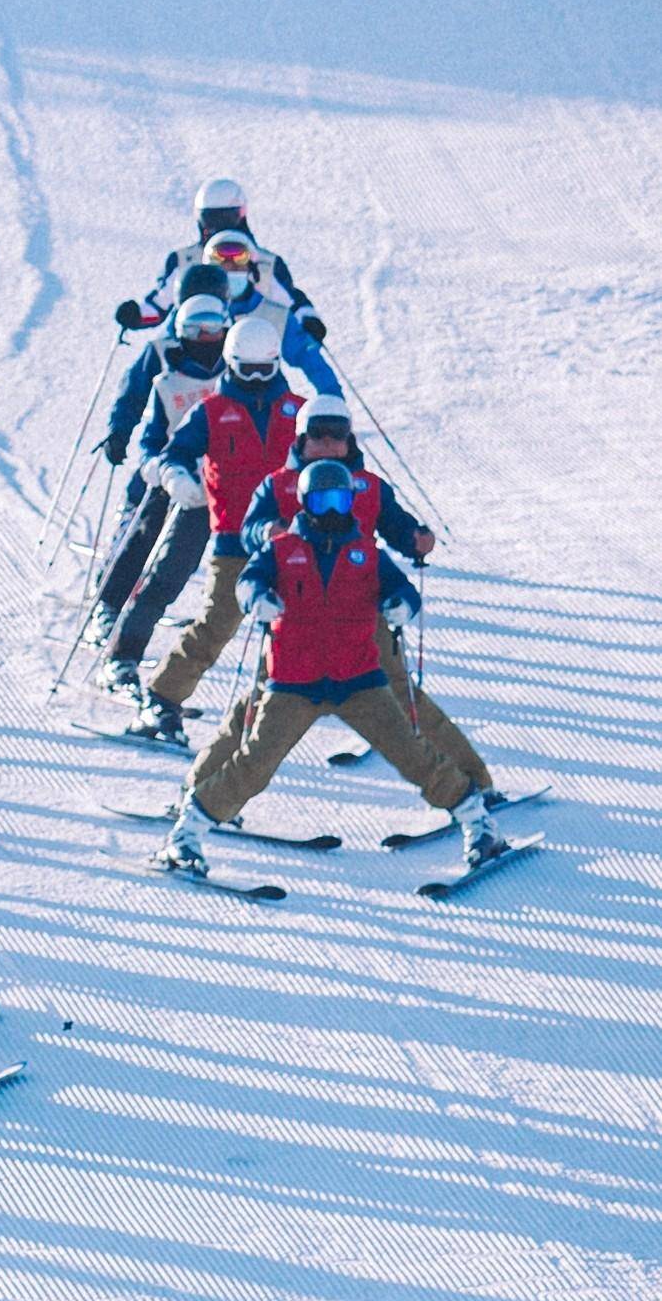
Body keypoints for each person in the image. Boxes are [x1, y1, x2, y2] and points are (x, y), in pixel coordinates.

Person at [161, 461, 503, 872]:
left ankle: (478, 824)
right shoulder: (283, 549)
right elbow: (248, 580)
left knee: (412, 754)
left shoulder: (365, 553)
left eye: (340, 500)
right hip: (293, 682)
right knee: (254, 762)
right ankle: (186, 834)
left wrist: (401, 606)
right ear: (305, 502)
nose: (331, 510)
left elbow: (403, 590)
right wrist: (257, 599)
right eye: (322, 500)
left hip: (359, 679)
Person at [106, 310, 303, 727]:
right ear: (230, 365)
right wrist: (175, 476)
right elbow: (174, 452)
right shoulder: (211, 411)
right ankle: (161, 698)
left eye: (262, 371)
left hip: (289, 541)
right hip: (233, 537)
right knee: (215, 625)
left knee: (294, 632)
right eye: (244, 371)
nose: (254, 381)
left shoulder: (297, 412)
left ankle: (277, 709)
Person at [88, 285, 233, 656]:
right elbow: (135, 400)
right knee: (143, 536)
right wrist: (120, 433)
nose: (206, 337)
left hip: (219, 478)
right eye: (197, 329)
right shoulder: (165, 363)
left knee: (185, 556)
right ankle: (108, 605)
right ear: (182, 330)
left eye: (214, 328)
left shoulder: (237, 367)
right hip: (168, 469)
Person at [120, 179, 326, 347]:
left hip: (247, 352)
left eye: (228, 218)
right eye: (211, 219)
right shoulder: (186, 261)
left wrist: (308, 318)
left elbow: (290, 300)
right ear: (201, 220)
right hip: (195, 349)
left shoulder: (263, 262)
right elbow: (159, 305)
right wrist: (136, 315)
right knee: (157, 355)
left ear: (241, 216)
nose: (219, 228)